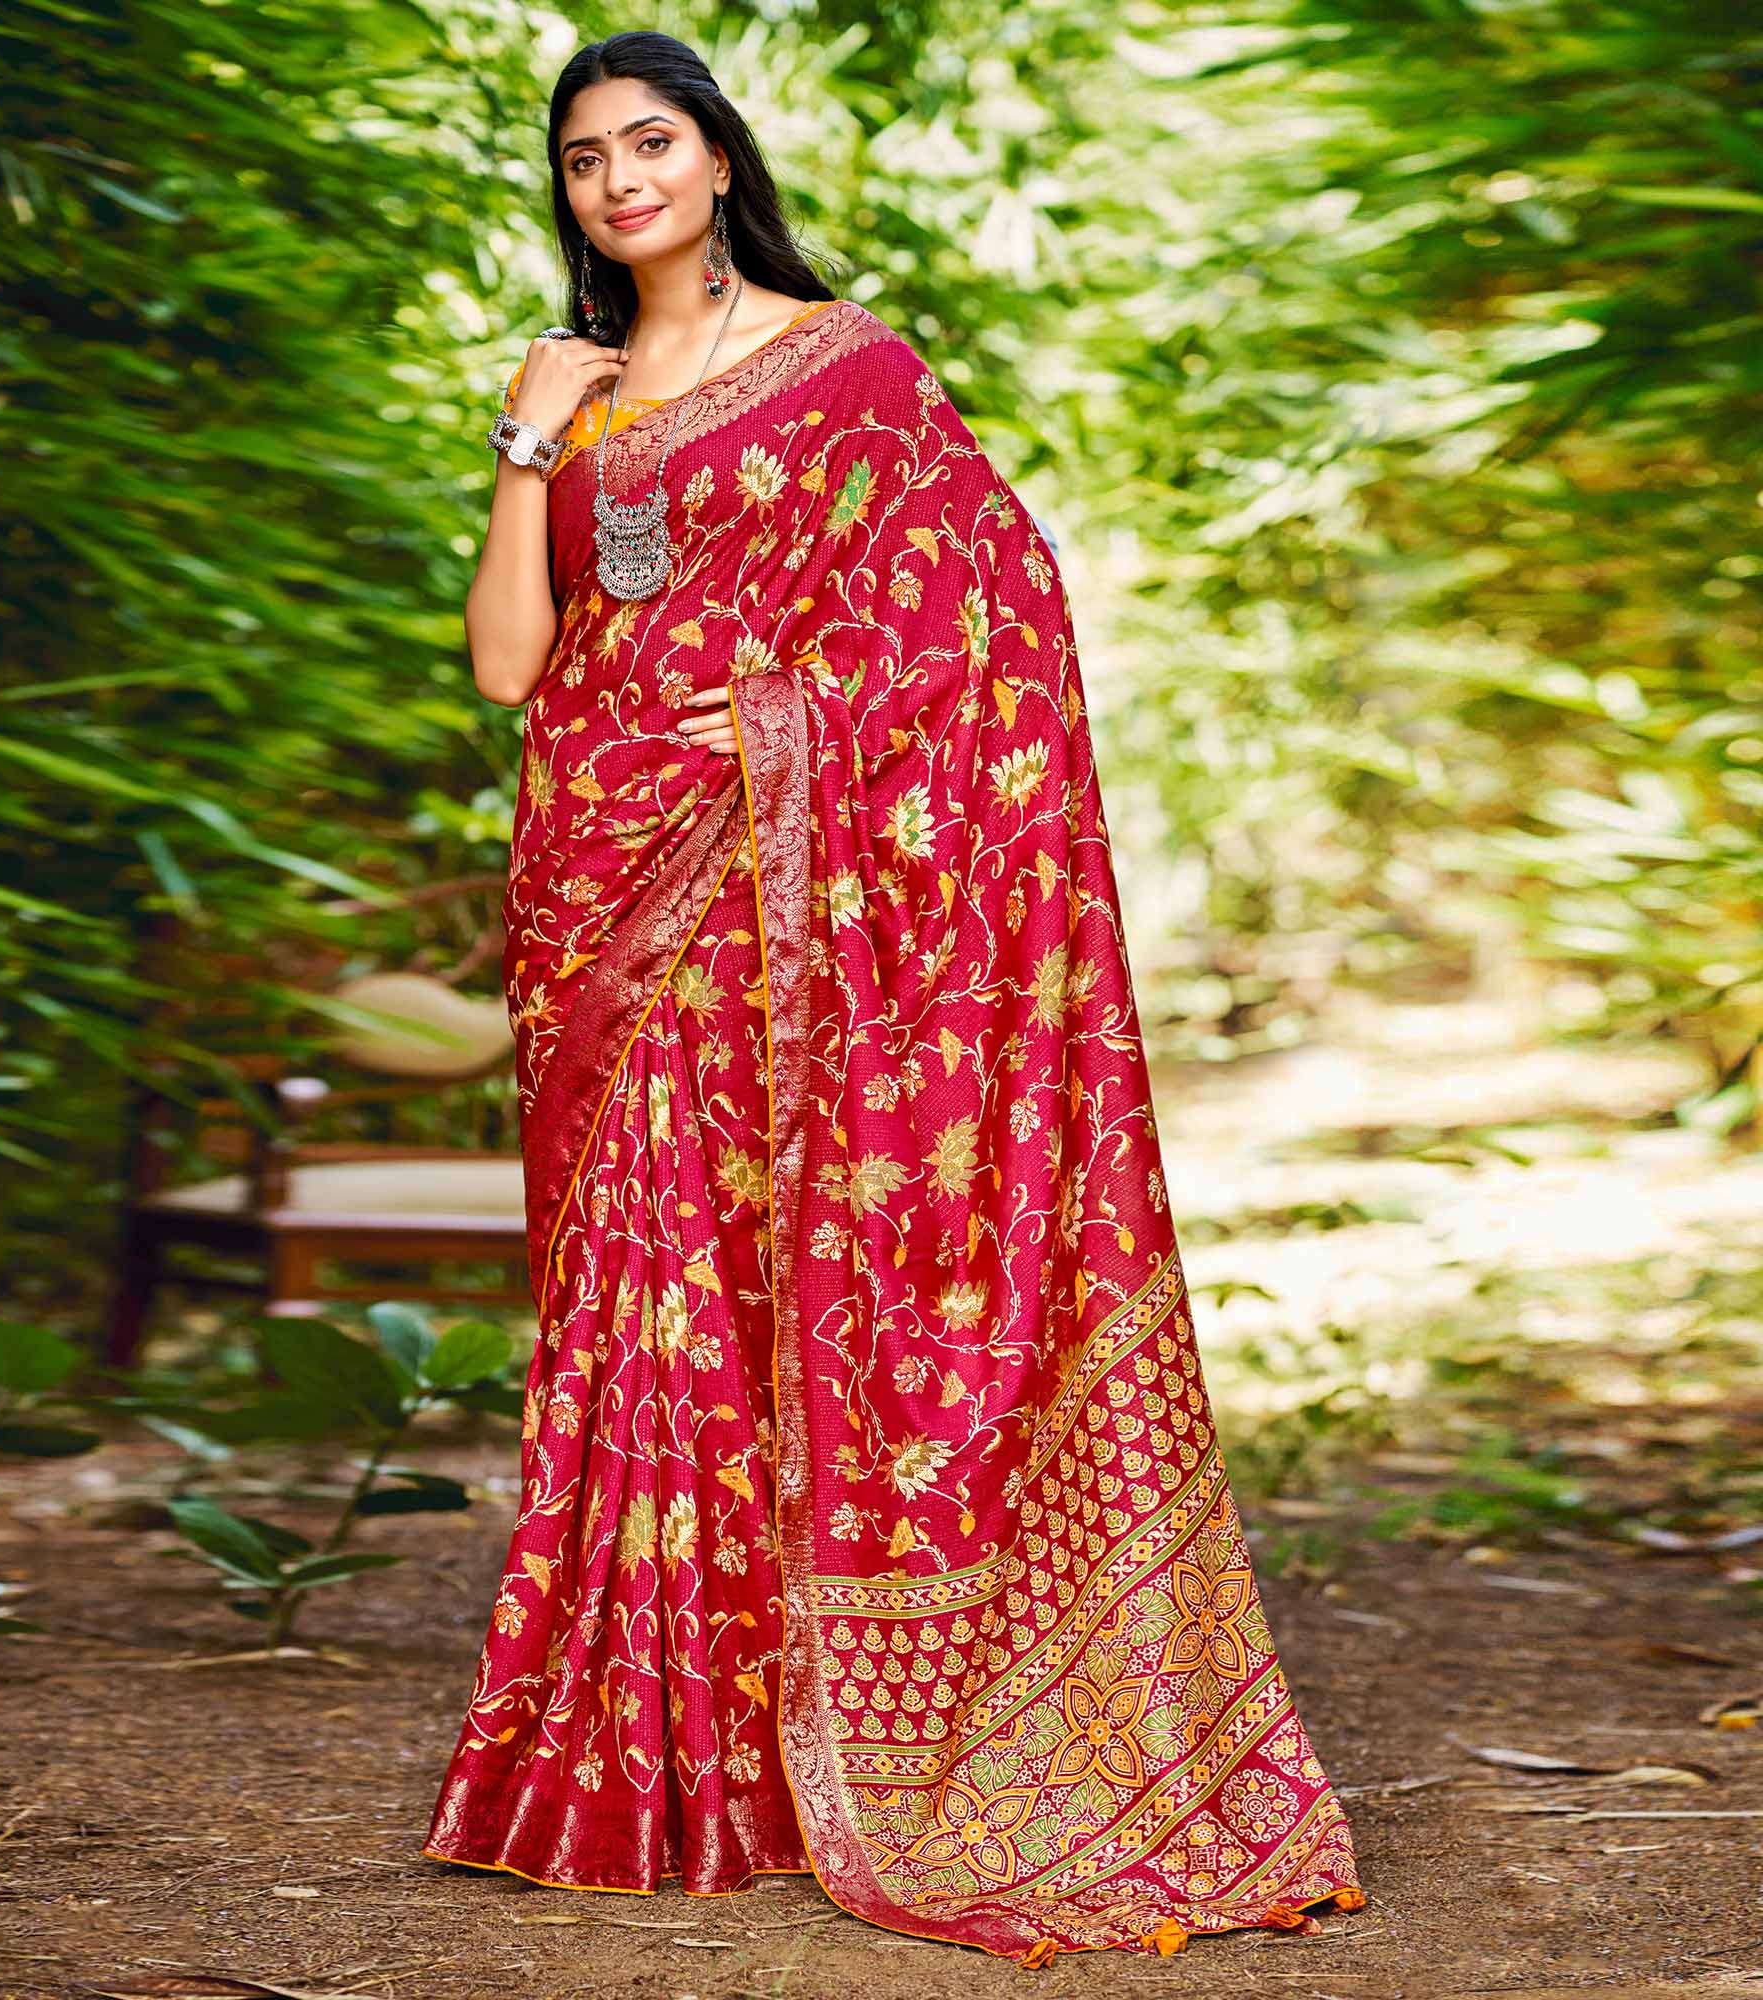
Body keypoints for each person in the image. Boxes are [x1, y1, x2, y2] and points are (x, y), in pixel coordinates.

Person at [421, 28, 1367, 1967]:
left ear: (717, 158)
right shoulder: (569, 396)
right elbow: (514, 668)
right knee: (637, 1307)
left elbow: (995, 618)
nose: (620, 179)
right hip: (599, 885)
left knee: (770, 1287)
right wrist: (524, 437)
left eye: (652, 142)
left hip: (781, 890)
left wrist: (792, 725)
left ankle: (831, 1752)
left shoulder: (845, 367)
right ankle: (657, 1764)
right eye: (585, 156)